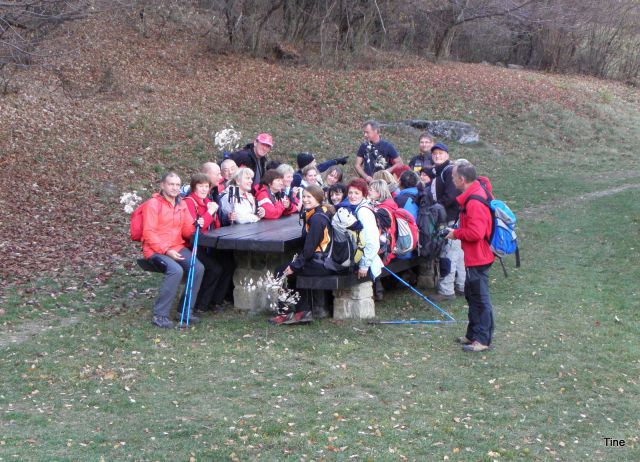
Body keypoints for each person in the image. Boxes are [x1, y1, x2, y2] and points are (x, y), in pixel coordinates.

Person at [141, 172, 203, 328]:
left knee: (198, 268)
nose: (175, 188)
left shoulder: (181, 204)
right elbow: (148, 233)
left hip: (177, 246)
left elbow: (187, 230)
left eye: (177, 185)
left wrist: (197, 224)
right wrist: (166, 250)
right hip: (155, 250)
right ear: (163, 185)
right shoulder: (153, 204)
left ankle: (184, 311)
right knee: (175, 270)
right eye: (171, 184)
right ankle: (160, 315)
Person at [269, 185, 338, 325]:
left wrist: (295, 265)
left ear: (318, 198)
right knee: (295, 271)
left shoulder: (317, 218)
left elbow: (309, 249)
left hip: (321, 263)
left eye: (309, 197)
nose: (305, 200)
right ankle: (303, 311)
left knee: (281, 272)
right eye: (304, 196)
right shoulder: (320, 212)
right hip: (325, 261)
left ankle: (285, 313)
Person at [445, 160, 495, 352]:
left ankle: (483, 340)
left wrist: (455, 233)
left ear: (462, 179)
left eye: (453, 177)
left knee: (480, 299)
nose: (452, 180)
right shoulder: (474, 193)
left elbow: (476, 233)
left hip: (479, 256)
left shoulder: (474, 201)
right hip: (473, 256)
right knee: (471, 296)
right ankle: (472, 334)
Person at [184, 173, 233, 313]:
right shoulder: (188, 202)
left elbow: (215, 227)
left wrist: (214, 213)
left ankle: (215, 301)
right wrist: (210, 212)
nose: (204, 190)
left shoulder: (206, 202)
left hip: (207, 245)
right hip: (191, 245)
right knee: (214, 268)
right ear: (194, 187)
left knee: (228, 265)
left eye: (206, 186)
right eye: (201, 186)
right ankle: (201, 305)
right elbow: (195, 230)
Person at [429, 143, 465, 302]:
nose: (437, 155)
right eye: (435, 153)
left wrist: (435, 209)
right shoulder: (440, 171)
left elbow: (451, 196)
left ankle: (446, 291)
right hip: (456, 218)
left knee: (448, 254)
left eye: (441, 153)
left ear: (447, 155)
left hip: (451, 219)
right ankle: (462, 286)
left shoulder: (449, 171)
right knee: (459, 255)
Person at [346, 179, 382, 281]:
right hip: (363, 259)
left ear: (364, 194)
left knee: (361, 295)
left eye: (357, 193)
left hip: (367, 261)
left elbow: (372, 240)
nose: (352, 196)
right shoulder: (356, 208)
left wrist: (364, 265)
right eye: (350, 193)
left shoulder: (363, 212)